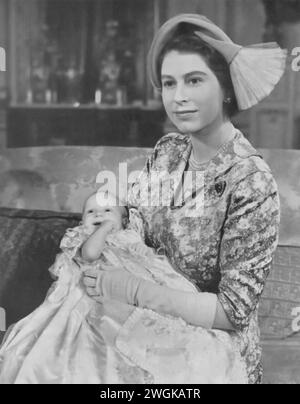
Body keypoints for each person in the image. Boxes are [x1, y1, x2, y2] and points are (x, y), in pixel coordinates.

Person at [83, 14, 286, 384]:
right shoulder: (168, 152)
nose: (179, 97)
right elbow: (138, 220)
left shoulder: (251, 182)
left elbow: (232, 312)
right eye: (168, 83)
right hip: (149, 333)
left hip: (214, 358)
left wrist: (132, 289)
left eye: (194, 80)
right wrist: (112, 216)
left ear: (225, 88)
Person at [0, 191, 246, 383]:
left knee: (164, 333)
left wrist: (143, 252)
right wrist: (104, 229)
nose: (98, 214)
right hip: (93, 295)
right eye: (91, 211)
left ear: (124, 220)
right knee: (94, 343)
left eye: (108, 210)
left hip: (127, 293)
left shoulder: (129, 238)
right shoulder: (85, 237)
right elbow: (90, 254)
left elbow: (151, 264)